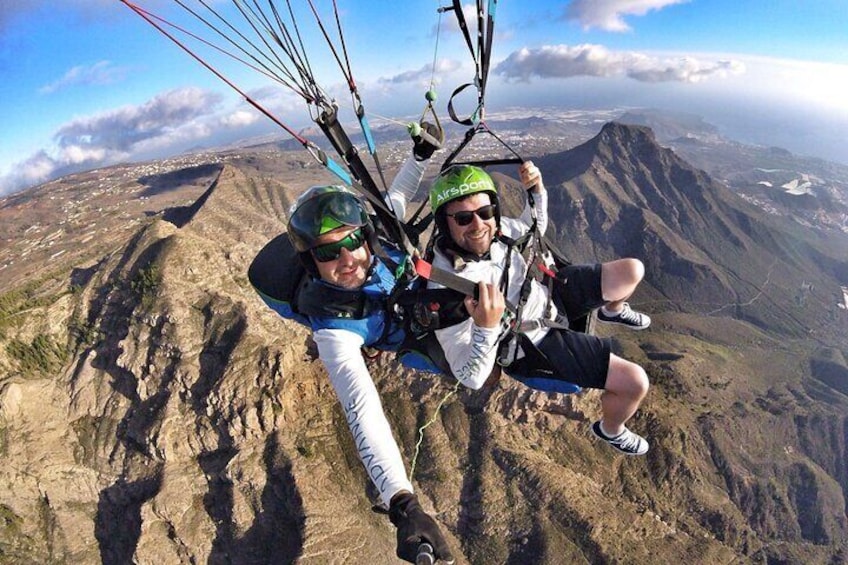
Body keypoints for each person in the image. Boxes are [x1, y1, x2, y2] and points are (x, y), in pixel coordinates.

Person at [275, 142, 455, 563]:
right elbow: (362, 410)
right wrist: (402, 503)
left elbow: (396, 197)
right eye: (326, 251)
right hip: (409, 336)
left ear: (367, 236)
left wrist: (420, 156)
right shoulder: (333, 331)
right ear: (311, 263)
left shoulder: (383, 246)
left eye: (353, 240)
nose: (347, 258)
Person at [408, 162, 652, 455]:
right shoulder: (447, 290)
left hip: (546, 295)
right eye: (463, 219)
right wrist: (487, 327)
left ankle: (612, 310)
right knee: (635, 383)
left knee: (631, 271)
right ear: (444, 223)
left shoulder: (496, 232)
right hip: (531, 342)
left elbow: (533, 226)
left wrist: (536, 190)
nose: (478, 225)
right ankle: (611, 429)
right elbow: (470, 377)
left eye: (485, 213)